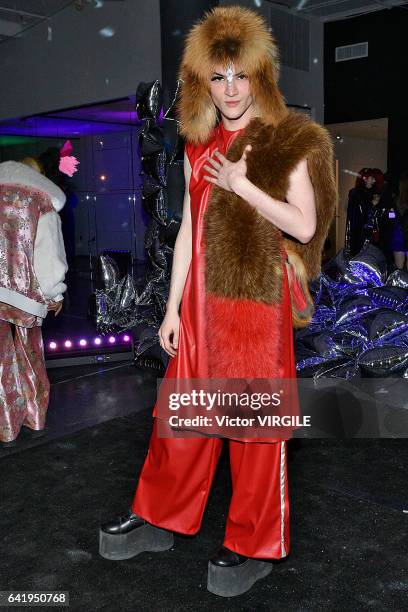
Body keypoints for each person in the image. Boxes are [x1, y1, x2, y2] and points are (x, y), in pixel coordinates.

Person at [99, 6, 336, 598]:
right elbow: (187, 229)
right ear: (204, 80)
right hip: (199, 307)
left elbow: (306, 227)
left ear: (260, 74)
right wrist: (172, 307)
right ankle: (158, 517)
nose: (229, 89)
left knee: (254, 433)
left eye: (239, 75)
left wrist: (245, 186)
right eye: (218, 76)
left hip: (254, 306)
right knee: (179, 421)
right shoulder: (198, 143)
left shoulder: (290, 139)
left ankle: (252, 543)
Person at [0, 157, 68, 446]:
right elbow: (48, 255)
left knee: (1, 362)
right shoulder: (42, 201)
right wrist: (55, 293)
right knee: (31, 356)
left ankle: (5, 425)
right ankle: (34, 417)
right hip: (24, 293)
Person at [344, 167, 377, 258]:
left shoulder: (373, 193)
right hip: (359, 234)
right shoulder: (356, 194)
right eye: (372, 178)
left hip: (369, 234)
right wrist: (372, 204)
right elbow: (358, 215)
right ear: (365, 179)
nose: (374, 181)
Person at [390, 172, 408, 269]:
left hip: (399, 235)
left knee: (398, 268)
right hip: (403, 233)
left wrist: (392, 213)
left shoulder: (396, 200)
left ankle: (398, 284)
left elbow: (391, 218)